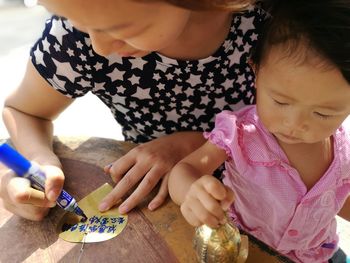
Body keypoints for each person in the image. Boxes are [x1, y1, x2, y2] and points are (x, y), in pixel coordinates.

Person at [0, 0, 266, 221]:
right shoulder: (76, 41)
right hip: (163, 208)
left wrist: (194, 146)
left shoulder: (274, 20)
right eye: (81, 26)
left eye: (119, 28)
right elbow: (24, 111)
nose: (99, 48)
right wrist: (39, 160)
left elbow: (303, 120)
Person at [168, 1, 350, 262]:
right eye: (281, 101)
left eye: (323, 113)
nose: (294, 123)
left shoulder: (344, 149)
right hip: (246, 251)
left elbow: (338, 200)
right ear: (256, 70)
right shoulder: (240, 135)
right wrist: (192, 193)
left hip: (317, 254)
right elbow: (185, 171)